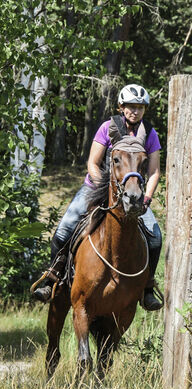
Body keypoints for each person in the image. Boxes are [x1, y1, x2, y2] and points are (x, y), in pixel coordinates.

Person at [32, 84, 164, 311]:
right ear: (121, 107)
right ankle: (52, 277)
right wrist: (104, 187)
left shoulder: (150, 133)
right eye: (131, 106)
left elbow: (154, 172)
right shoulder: (107, 127)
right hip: (97, 187)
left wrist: (147, 198)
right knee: (65, 228)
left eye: (140, 107)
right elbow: (93, 163)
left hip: (134, 194)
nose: (135, 111)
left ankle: (147, 288)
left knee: (156, 237)